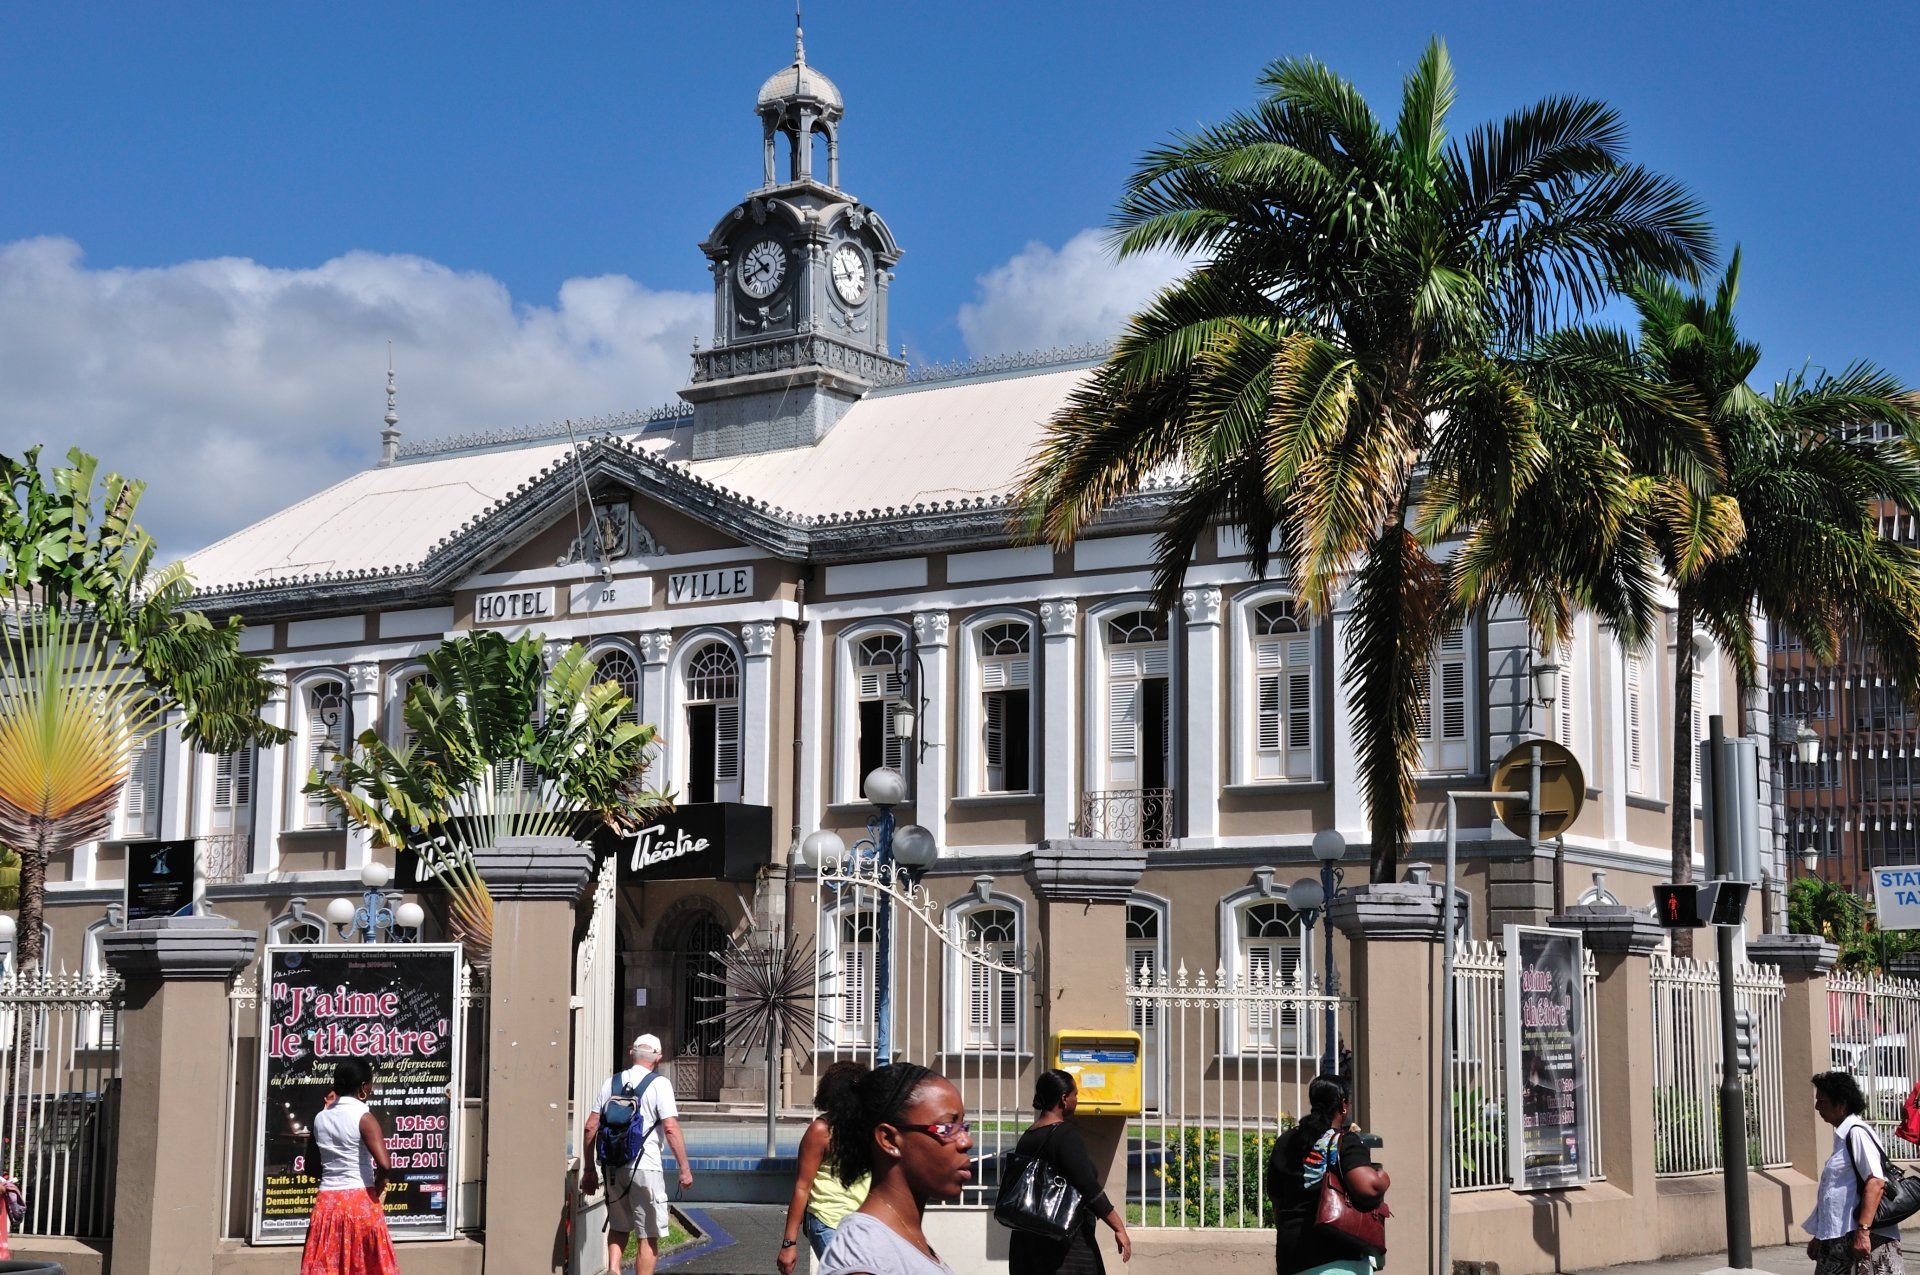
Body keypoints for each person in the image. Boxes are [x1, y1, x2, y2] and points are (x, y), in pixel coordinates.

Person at [817, 1062, 973, 1275]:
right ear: (889, 1140)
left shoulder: (899, 1237)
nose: (966, 1142)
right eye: (947, 1128)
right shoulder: (864, 1253)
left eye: (963, 1126)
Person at [580, 1034, 696, 1275]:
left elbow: (590, 1127)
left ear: (632, 1053)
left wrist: (590, 1169)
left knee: (619, 1225)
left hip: (613, 1167)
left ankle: (613, 1268)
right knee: (648, 1234)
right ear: (658, 1058)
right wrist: (684, 1168)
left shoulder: (611, 1083)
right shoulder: (659, 1084)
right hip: (646, 1167)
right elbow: (671, 1128)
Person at [1006, 1069, 1131, 1274]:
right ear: (1064, 1099)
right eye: (1075, 1095)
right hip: (1064, 1245)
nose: (1077, 1099)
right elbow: (1088, 1186)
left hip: (1027, 1241)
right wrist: (1118, 1227)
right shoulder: (1065, 1135)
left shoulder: (1028, 1137)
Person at [1265, 1073, 1390, 1275]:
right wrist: (1383, 1177)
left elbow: (1276, 1196)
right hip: (1335, 1257)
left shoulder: (1286, 1141)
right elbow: (1370, 1188)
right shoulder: (1343, 1141)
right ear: (1343, 1105)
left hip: (1292, 1256)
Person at [300, 1058, 398, 1275]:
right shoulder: (364, 1117)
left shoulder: (320, 1118)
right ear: (364, 1087)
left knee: (329, 1265)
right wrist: (381, 1182)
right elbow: (385, 1164)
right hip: (360, 1203)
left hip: (327, 1204)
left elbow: (311, 1167)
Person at [1806, 1070, 1905, 1274]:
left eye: (1822, 1102)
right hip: (1840, 1237)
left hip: (1863, 1237)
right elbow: (1839, 1192)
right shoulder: (1843, 1136)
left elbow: (1876, 1182)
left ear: (1841, 1104)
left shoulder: (1857, 1133)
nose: (1817, 1107)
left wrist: (1863, 1232)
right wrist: (1820, 1234)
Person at [780, 1060, 872, 1273]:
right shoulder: (821, 1131)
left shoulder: (869, 1128)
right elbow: (802, 1186)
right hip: (827, 1221)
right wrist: (789, 1243)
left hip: (860, 1224)